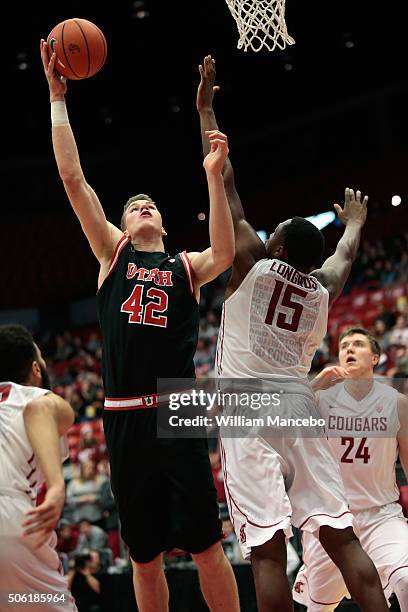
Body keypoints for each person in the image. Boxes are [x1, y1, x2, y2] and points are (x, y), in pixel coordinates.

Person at [41, 40, 239, 612]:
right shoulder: (113, 253)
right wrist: (58, 100)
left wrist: (214, 175)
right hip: (125, 412)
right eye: (134, 204)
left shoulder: (185, 266)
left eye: (151, 202)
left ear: (165, 220)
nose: (144, 205)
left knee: (206, 547)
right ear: (123, 223)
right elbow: (74, 178)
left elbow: (224, 251)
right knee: (145, 558)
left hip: (176, 411)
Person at [197, 54, 389, 612]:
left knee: (266, 550)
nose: (269, 228)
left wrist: (206, 106)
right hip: (298, 404)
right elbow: (344, 255)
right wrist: (352, 222)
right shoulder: (323, 287)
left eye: (275, 229)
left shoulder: (249, 262)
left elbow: (224, 179)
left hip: (246, 405)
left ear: (276, 245)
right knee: (341, 536)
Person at [293, 326, 408, 611]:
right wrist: (315, 384)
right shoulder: (319, 401)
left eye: (358, 344)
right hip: (333, 519)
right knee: (319, 607)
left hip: (381, 514)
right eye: (344, 346)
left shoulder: (397, 404)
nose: (349, 349)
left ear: (376, 358)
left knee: (406, 578)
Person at [0, 324, 77, 611]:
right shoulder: (33, 398)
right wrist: (57, 487)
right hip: (9, 520)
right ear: (35, 369)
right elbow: (39, 409)